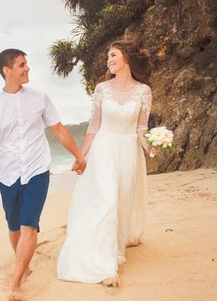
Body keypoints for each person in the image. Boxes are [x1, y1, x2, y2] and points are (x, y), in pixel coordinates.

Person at [0, 48, 86, 301]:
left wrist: (78, 156)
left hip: (37, 170)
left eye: (27, 64)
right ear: (7, 70)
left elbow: (58, 130)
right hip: (8, 174)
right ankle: (24, 264)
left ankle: (15, 280)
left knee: (29, 224)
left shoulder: (39, 98)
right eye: (22, 64)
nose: (27, 69)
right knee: (14, 226)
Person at [57, 40, 157, 287]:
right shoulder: (102, 88)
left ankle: (114, 249)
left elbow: (141, 128)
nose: (109, 60)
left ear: (126, 57)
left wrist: (151, 146)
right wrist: (81, 156)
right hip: (103, 149)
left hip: (128, 151)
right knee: (107, 201)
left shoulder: (144, 91)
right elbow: (94, 126)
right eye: (108, 57)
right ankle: (105, 265)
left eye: (113, 55)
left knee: (121, 201)